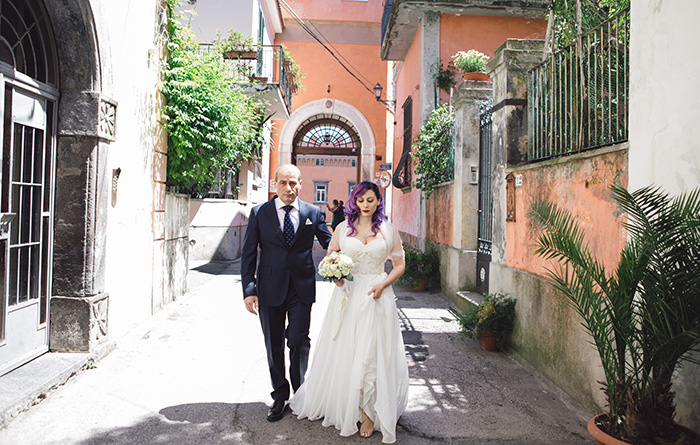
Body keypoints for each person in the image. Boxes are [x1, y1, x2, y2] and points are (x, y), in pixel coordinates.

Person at [290, 181, 409, 443]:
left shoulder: (388, 230)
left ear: (379, 201)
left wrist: (383, 284)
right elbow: (330, 258)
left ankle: (369, 412)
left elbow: (400, 265)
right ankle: (350, 405)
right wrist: (337, 277)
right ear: (353, 201)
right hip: (350, 294)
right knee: (350, 348)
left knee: (373, 351)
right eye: (360, 200)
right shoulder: (343, 229)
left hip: (378, 294)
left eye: (370, 200)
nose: (365, 205)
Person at [241, 164, 333, 422]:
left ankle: (300, 392)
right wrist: (249, 289)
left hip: (302, 288)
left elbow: (331, 243)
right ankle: (280, 396)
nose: (288, 188)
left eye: (293, 183)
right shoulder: (260, 213)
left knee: (299, 340)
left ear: (301, 184)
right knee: (274, 345)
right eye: (283, 183)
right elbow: (248, 254)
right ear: (275, 184)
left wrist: (356, 241)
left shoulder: (313, 213)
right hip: (269, 288)